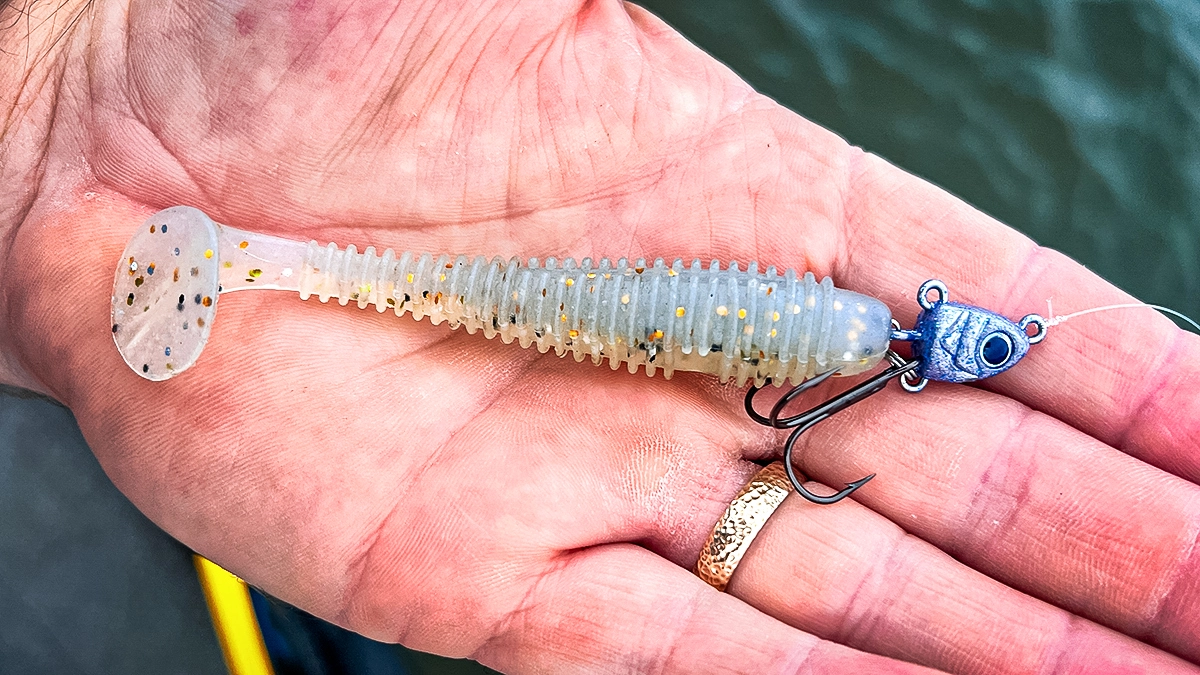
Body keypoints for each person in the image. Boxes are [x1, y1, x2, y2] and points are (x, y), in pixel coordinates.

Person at [2, 1, 1198, 672]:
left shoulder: (850, 347)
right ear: (945, 334)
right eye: (987, 346)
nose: (986, 350)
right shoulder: (860, 347)